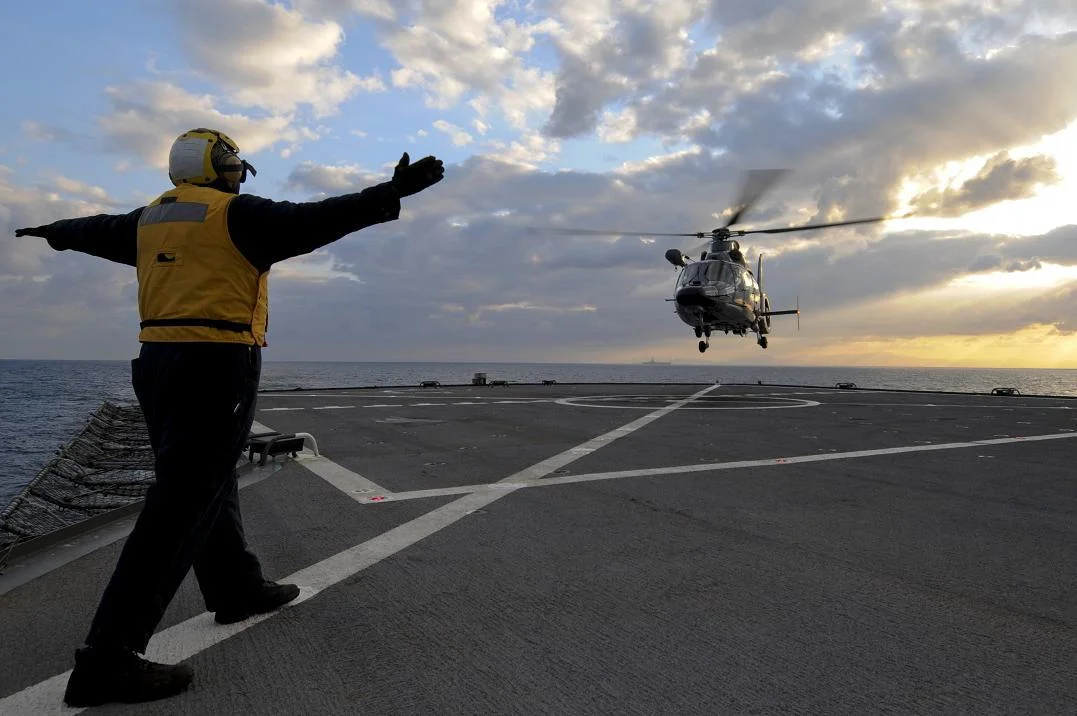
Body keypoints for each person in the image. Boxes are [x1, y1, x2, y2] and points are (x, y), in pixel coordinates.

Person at [14, 128, 444, 707]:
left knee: (206, 480)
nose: (238, 174)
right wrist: (392, 190)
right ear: (221, 167)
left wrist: (51, 232)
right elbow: (320, 217)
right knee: (179, 505)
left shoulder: (147, 221)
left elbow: (89, 228)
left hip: (156, 363)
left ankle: (236, 587)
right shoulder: (238, 216)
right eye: (235, 166)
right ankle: (106, 661)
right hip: (216, 362)